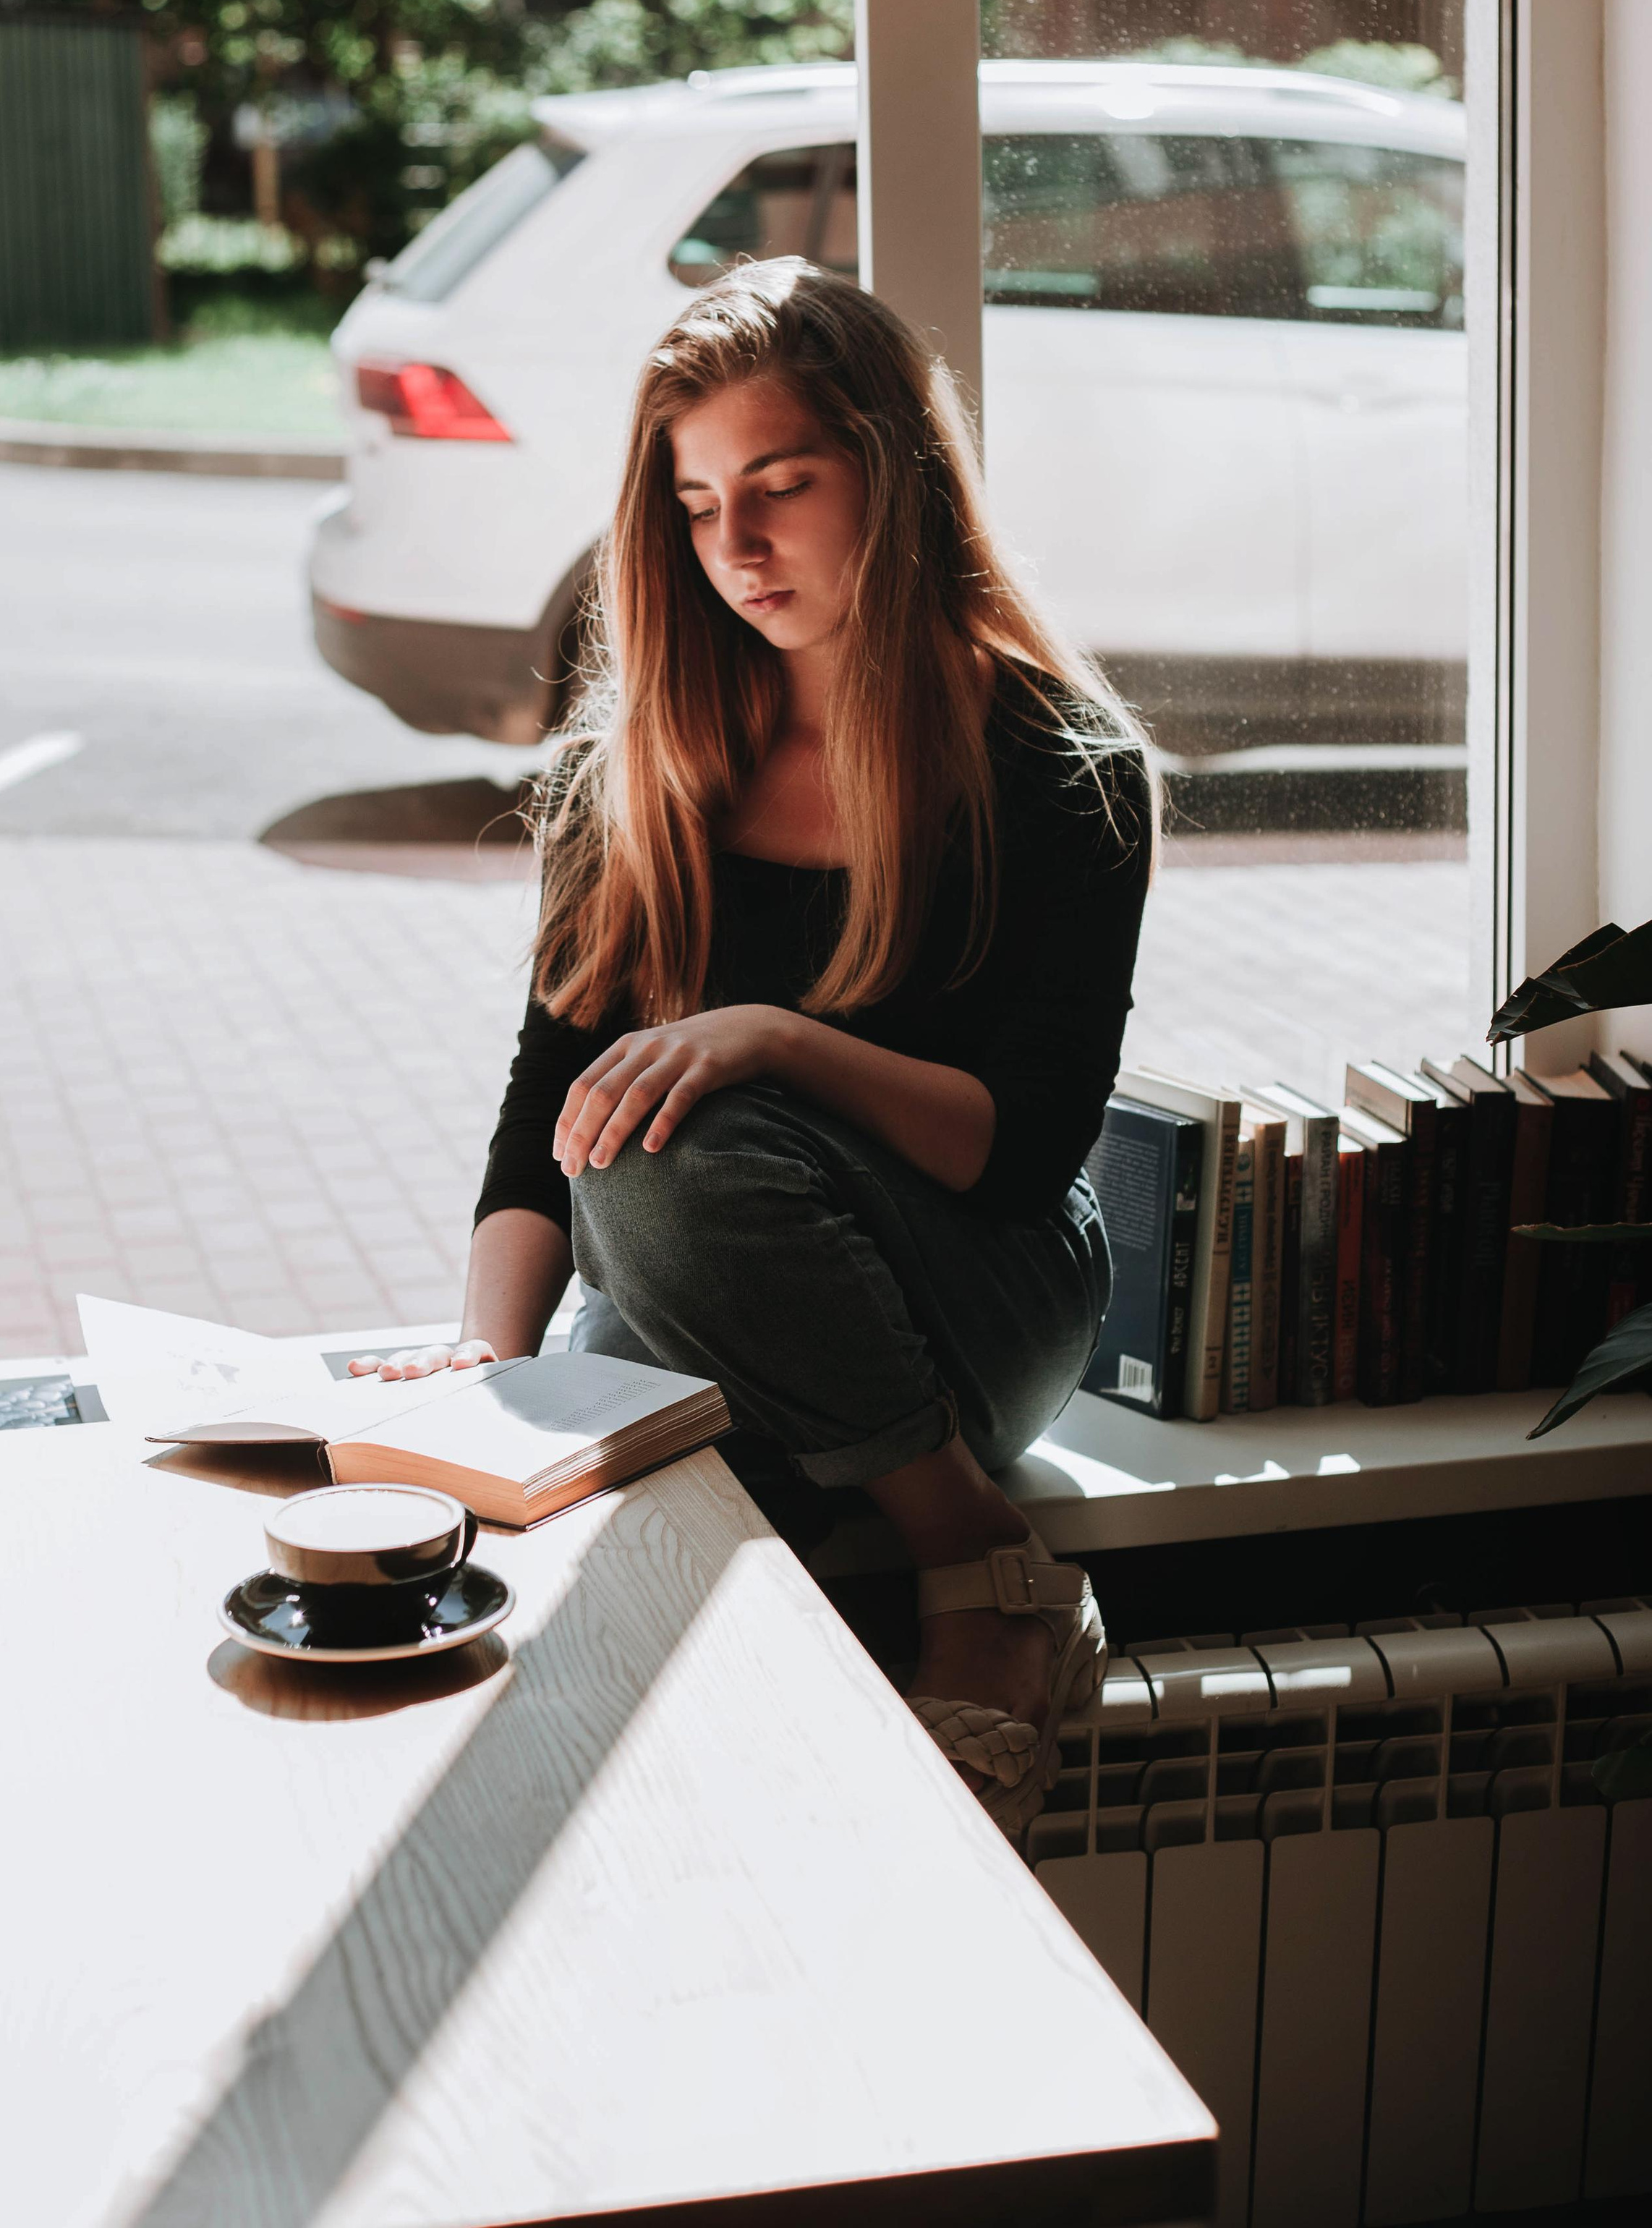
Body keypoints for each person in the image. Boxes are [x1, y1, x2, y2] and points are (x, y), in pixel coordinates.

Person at [351, 259, 1151, 1836]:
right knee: (592, 1465)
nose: (735, 545)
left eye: (780, 486)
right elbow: (544, 1107)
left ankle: (977, 1571)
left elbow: (1025, 1146)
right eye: (699, 501)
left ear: (895, 477)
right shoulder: (633, 767)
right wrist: (485, 1357)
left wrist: (773, 1041)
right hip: (710, 1283)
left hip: (979, 1293)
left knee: (670, 1159)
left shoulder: (1060, 768)